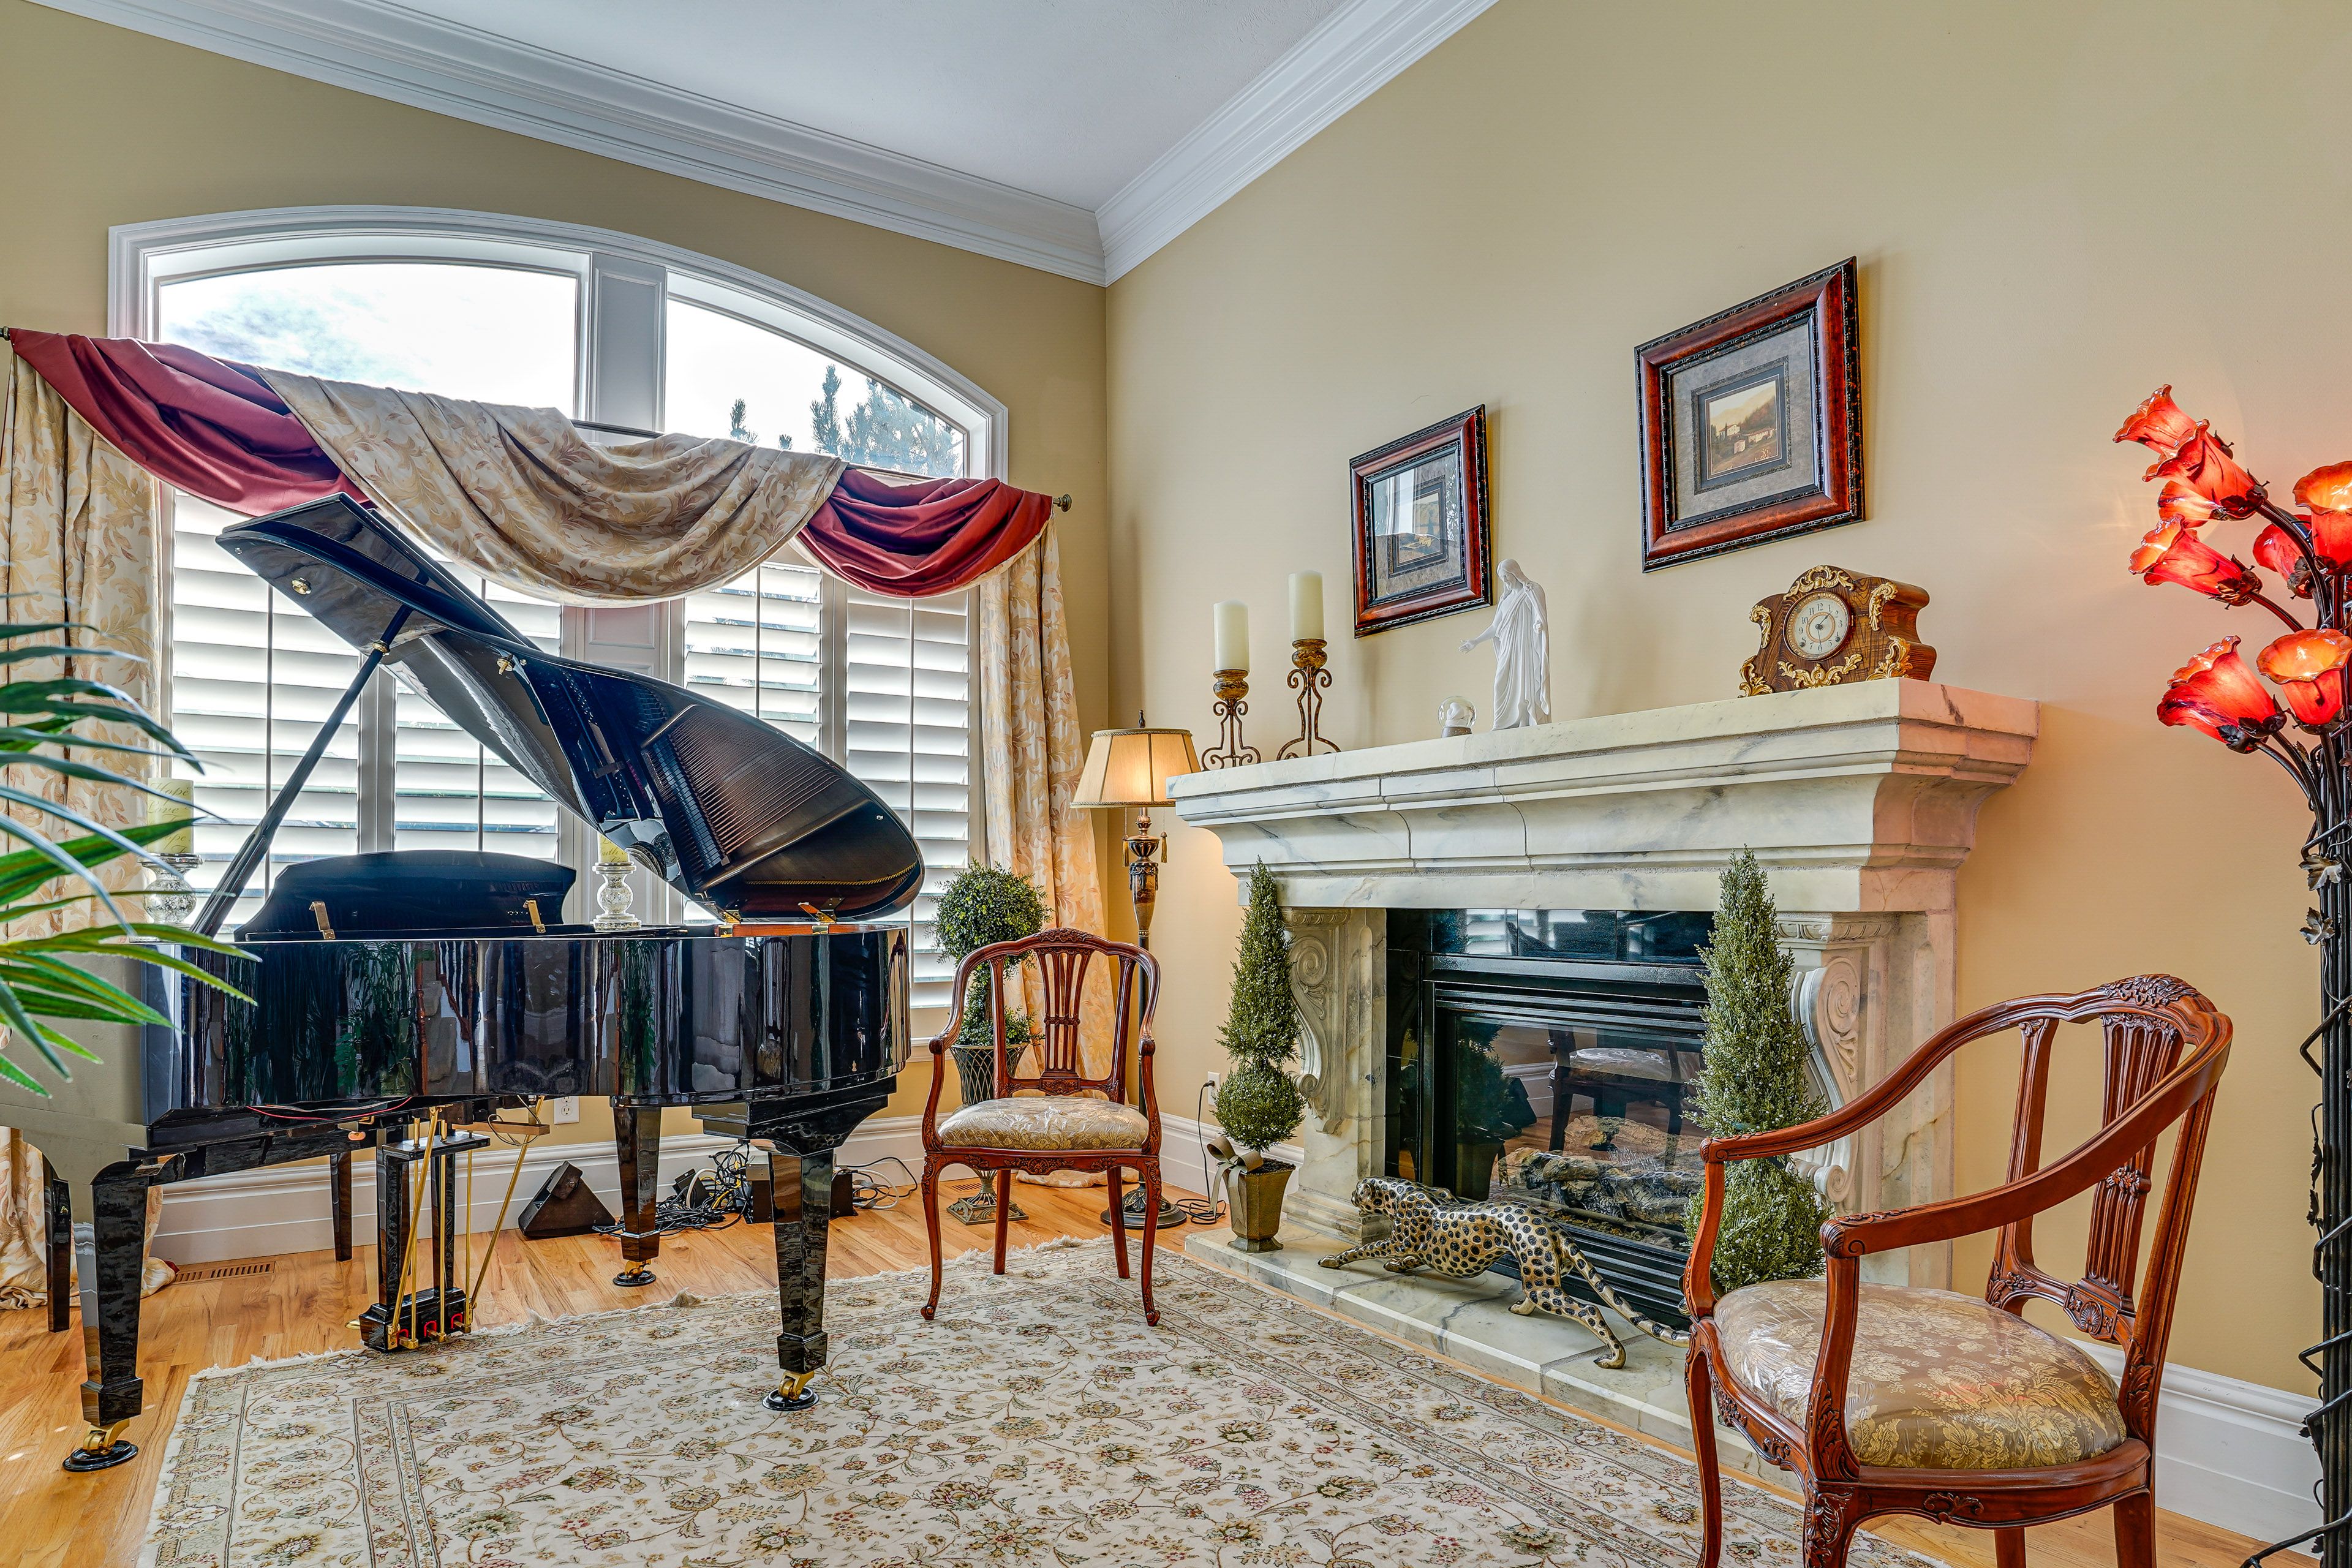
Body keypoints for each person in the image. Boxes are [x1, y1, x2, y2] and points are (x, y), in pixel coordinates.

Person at [1460, 557, 1551, 729]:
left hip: (1525, 648)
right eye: (1502, 578)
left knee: (1524, 683)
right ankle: (1502, 725)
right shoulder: (1505, 600)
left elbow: (1540, 615)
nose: (1505, 581)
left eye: (1507, 577)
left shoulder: (1531, 590)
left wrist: (1539, 624)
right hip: (1508, 648)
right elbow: (1495, 627)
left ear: (1515, 574)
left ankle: (1525, 720)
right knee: (1500, 682)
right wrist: (1476, 641)